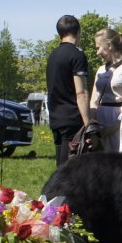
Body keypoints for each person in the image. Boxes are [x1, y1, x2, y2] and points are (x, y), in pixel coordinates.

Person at [46, 15, 91, 166]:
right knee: (71, 169)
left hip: (56, 117)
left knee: (60, 166)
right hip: (72, 119)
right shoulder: (77, 55)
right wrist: (88, 124)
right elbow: (81, 92)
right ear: (78, 32)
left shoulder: (53, 55)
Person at [90, 28, 122, 152]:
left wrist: (113, 126)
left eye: (98, 48)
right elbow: (94, 101)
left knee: (120, 159)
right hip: (100, 122)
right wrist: (92, 128)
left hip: (121, 121)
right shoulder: (101, 69)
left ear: (109, 45)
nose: (97, 53)